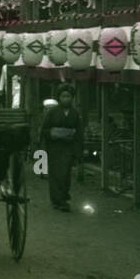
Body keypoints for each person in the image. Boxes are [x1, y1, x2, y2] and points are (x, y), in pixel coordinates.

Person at [40, 83, 84, 212]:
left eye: (68, 96)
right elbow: (44, 129)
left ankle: (63, 197)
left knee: (65, 174)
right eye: (63, 96)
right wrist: (53, 133)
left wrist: (79, 151)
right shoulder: (52, 112)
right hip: (54, 146)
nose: (66, 99)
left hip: (68, 147)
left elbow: (79, 133)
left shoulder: (75, 114)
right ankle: (57, 200)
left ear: (72, 98)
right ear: (59, 98)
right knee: (55, 174)